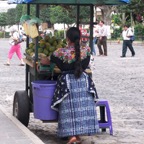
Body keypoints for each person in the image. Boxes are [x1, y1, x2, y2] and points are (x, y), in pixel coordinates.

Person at [42, 27, 99, 144]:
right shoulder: (87, 50)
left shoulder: (60, 52)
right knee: (80, 109)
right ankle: (77, 136)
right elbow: (86, 64)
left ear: (67, 38)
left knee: (69, 109)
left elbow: (48, 61)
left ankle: (71, 136)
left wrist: (42, 60)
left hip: (67, 83)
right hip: (83, 81)